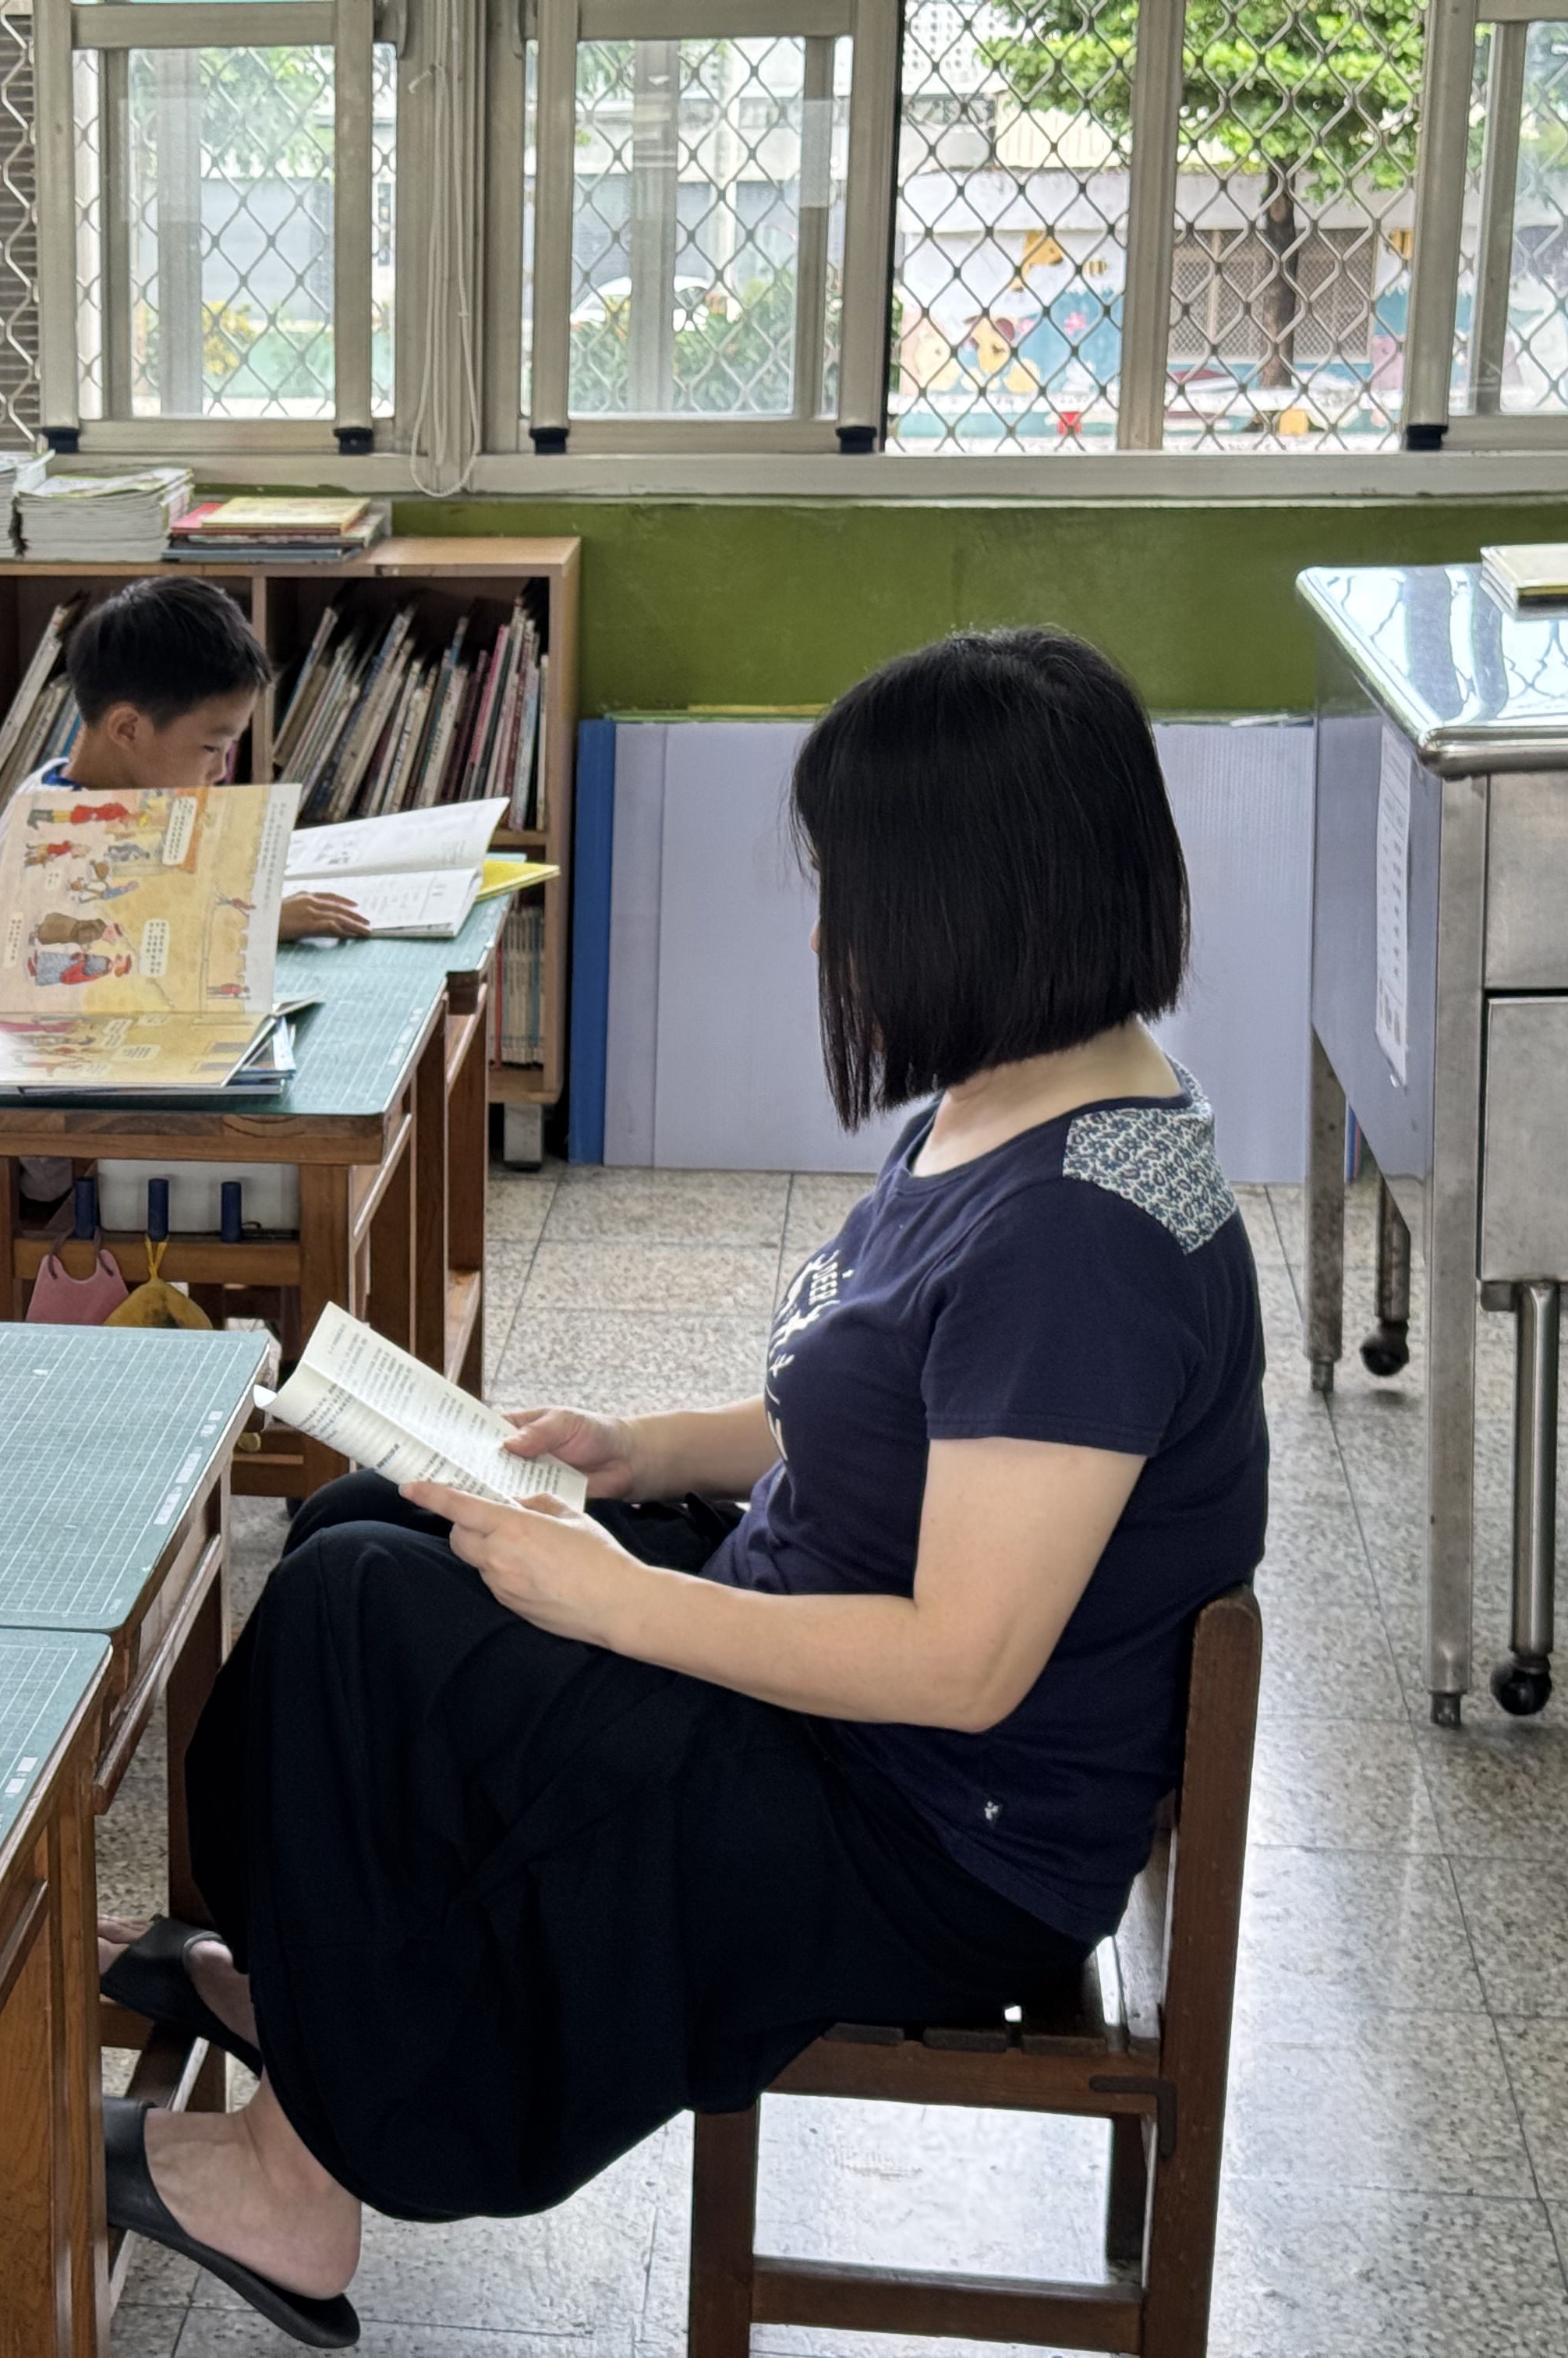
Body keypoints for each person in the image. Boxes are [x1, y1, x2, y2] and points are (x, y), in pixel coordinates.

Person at [95, 627, 1269, 2348]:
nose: (829, 936)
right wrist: (643, 1450)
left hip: (923, 1836)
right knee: (371, 1526)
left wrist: (627, 1600)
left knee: (366, 1610)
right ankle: (321, 2015)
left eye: (850, 891)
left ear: (972, 901)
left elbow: (963, 1665)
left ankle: (298, 2183)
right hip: (838, 1693)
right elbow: (884, 1416)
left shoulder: (1079, 1244)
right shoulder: (1028, 1101)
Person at [15, 575, 366, 941]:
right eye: (212, 748)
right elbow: (115, 942)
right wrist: (252, 923)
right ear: (128, 730)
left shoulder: (106, 793)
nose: (221, 771)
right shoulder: (53, 829)